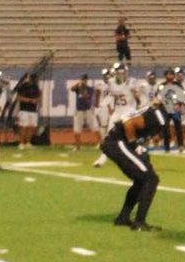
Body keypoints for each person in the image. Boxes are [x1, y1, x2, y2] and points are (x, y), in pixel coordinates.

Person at [104, 92, 176, 229]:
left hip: (117, 142)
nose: (180, 106)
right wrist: (134, 146)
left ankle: (123, 218)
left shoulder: (158, 113)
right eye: (178, 103)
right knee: (150, 179)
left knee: (142, 179)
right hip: (117, 142)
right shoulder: (158, 115)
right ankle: (139, 222)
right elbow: (129, 123)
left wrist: (140, 149)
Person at [70, 73, 97, 147]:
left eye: (84, 80)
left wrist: (82, 88)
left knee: (94, 127)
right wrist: (78, 84)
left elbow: (86, 96)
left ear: (87, 80)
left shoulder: (90, 89)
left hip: (88, 110)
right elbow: (71, 89)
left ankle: (101, 143)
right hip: (79, 110)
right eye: (82, 79)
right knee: (77, 129)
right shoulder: (78, 88)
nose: (83, 81)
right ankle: (78, 146)